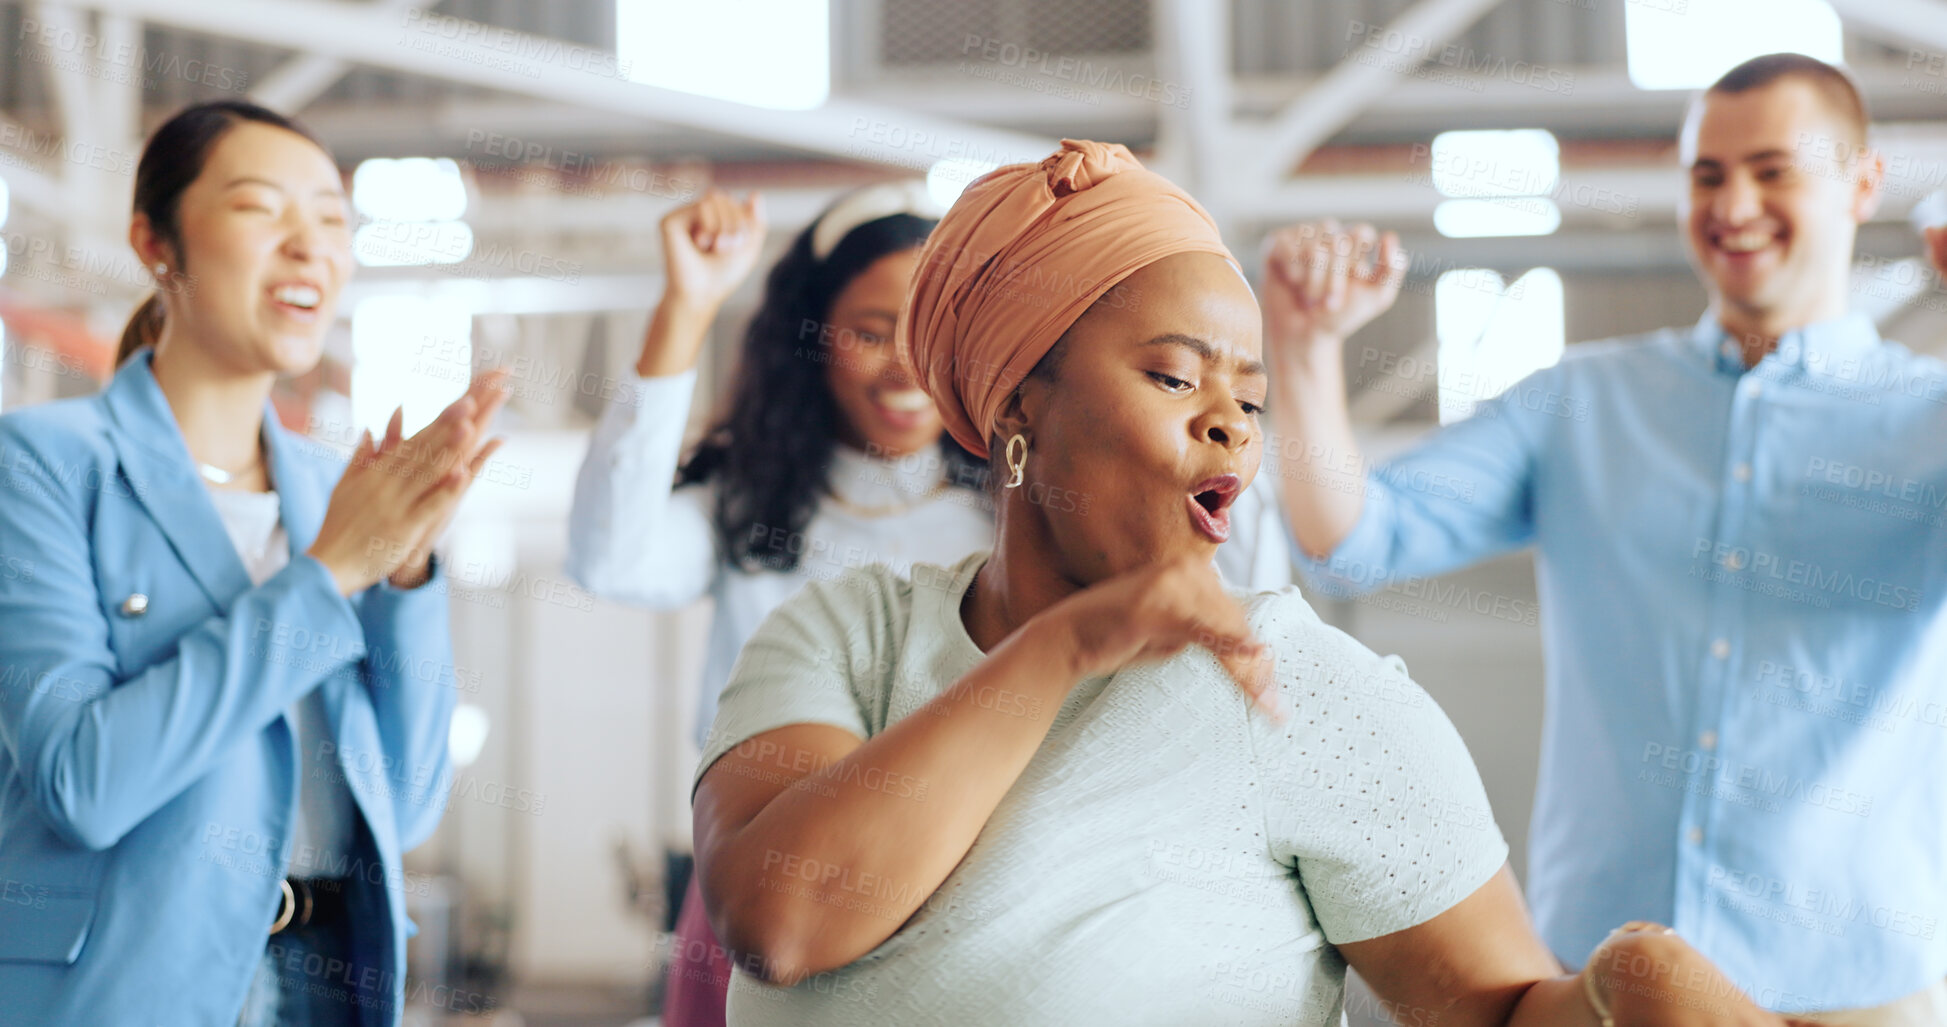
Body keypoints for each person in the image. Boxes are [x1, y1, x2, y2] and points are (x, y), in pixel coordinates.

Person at [688, 139, 1794, 1027]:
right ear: (1020, 404)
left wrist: (1631, 990)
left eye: (1251, 399)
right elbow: (781, 918)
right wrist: (1075, 642)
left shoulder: (1305, 686)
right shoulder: (844, 637)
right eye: (1173, 374)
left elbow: (1501, 1012)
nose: (1227, 418)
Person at [1261, 54, 1947, 1022]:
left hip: (1862, 988)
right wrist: (1303, 346)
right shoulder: (1580, 401)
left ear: (1863, 182)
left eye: (1773, 169)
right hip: (1603, 989)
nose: (1733, 203)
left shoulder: (1930, 419)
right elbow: (1352, 541)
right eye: (1706, 175)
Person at [566, 182, 1294, 1025]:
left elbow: (1225, 584)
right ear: (811, 338)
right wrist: (686, 307)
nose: (905, 369)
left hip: (986, 856)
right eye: (872, 334)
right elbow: (606, 557)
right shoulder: (748, 504)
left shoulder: (1029, 510)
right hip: (777, 869)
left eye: (925, 339)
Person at [0, 101, 506, 1026]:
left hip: (322, 979)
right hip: (123, 983)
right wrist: (328, 576)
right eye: (261, 208)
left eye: (329, 220)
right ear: (157, 243)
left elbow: (407, 804)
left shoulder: (337, 491)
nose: (309, 245)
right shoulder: (41, 463)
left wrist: (404, 578)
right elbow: (84, 782)